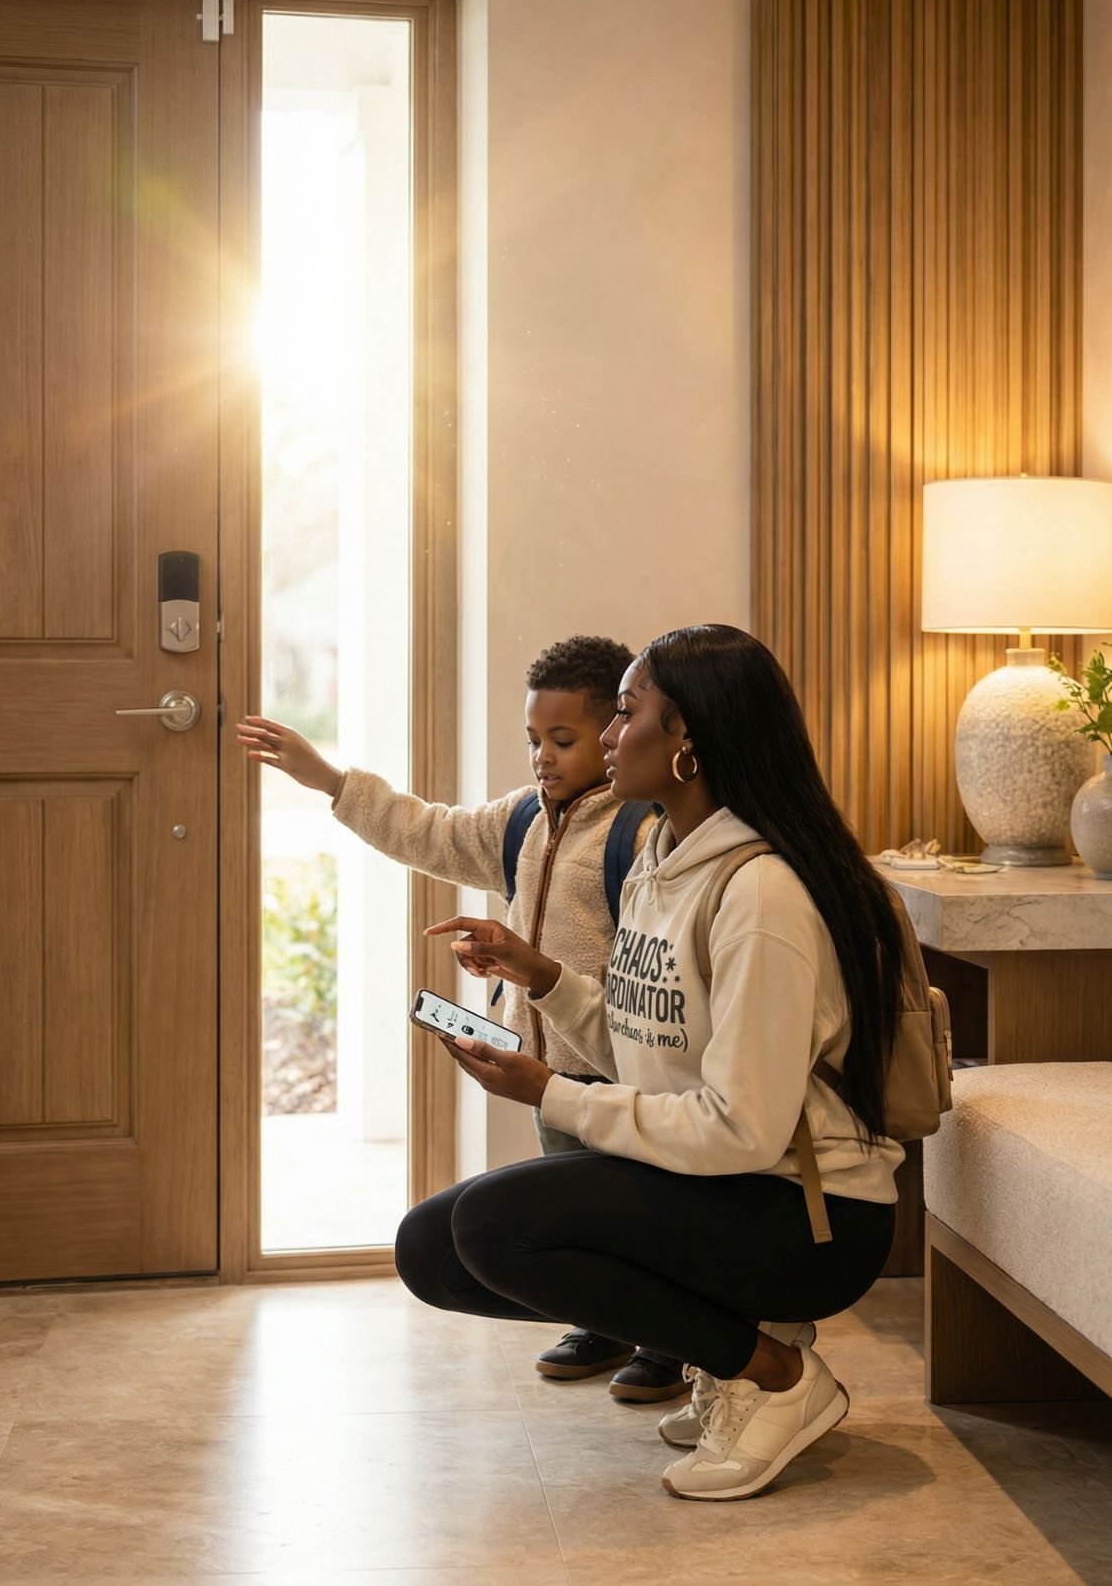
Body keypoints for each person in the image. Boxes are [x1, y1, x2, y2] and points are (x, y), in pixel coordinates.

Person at [395, 623, 905, 1501]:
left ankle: (776, 1376)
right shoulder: (661, 863)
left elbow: (743, 1128)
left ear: (687, 743)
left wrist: (552, 1093)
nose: (604, 738)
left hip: (807, 1217)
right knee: (431, 1252)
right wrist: (541, 976)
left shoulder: (762, 894)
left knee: (490, 1227)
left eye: (625, 715)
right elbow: (645, 1045)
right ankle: (728, 1351)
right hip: (721, 1187)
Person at [236, 635, 688, 1403]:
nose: (543, 756)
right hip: (542, 1069)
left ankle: (669, 1340)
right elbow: (427, 831)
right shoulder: (523, 822)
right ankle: (602, 1319)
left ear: (613, 730)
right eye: (533, 740)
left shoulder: (639, 833)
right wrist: (330, 781)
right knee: (575, 1212)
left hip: (619, 1069)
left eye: (564, 740)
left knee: (641, 1211)